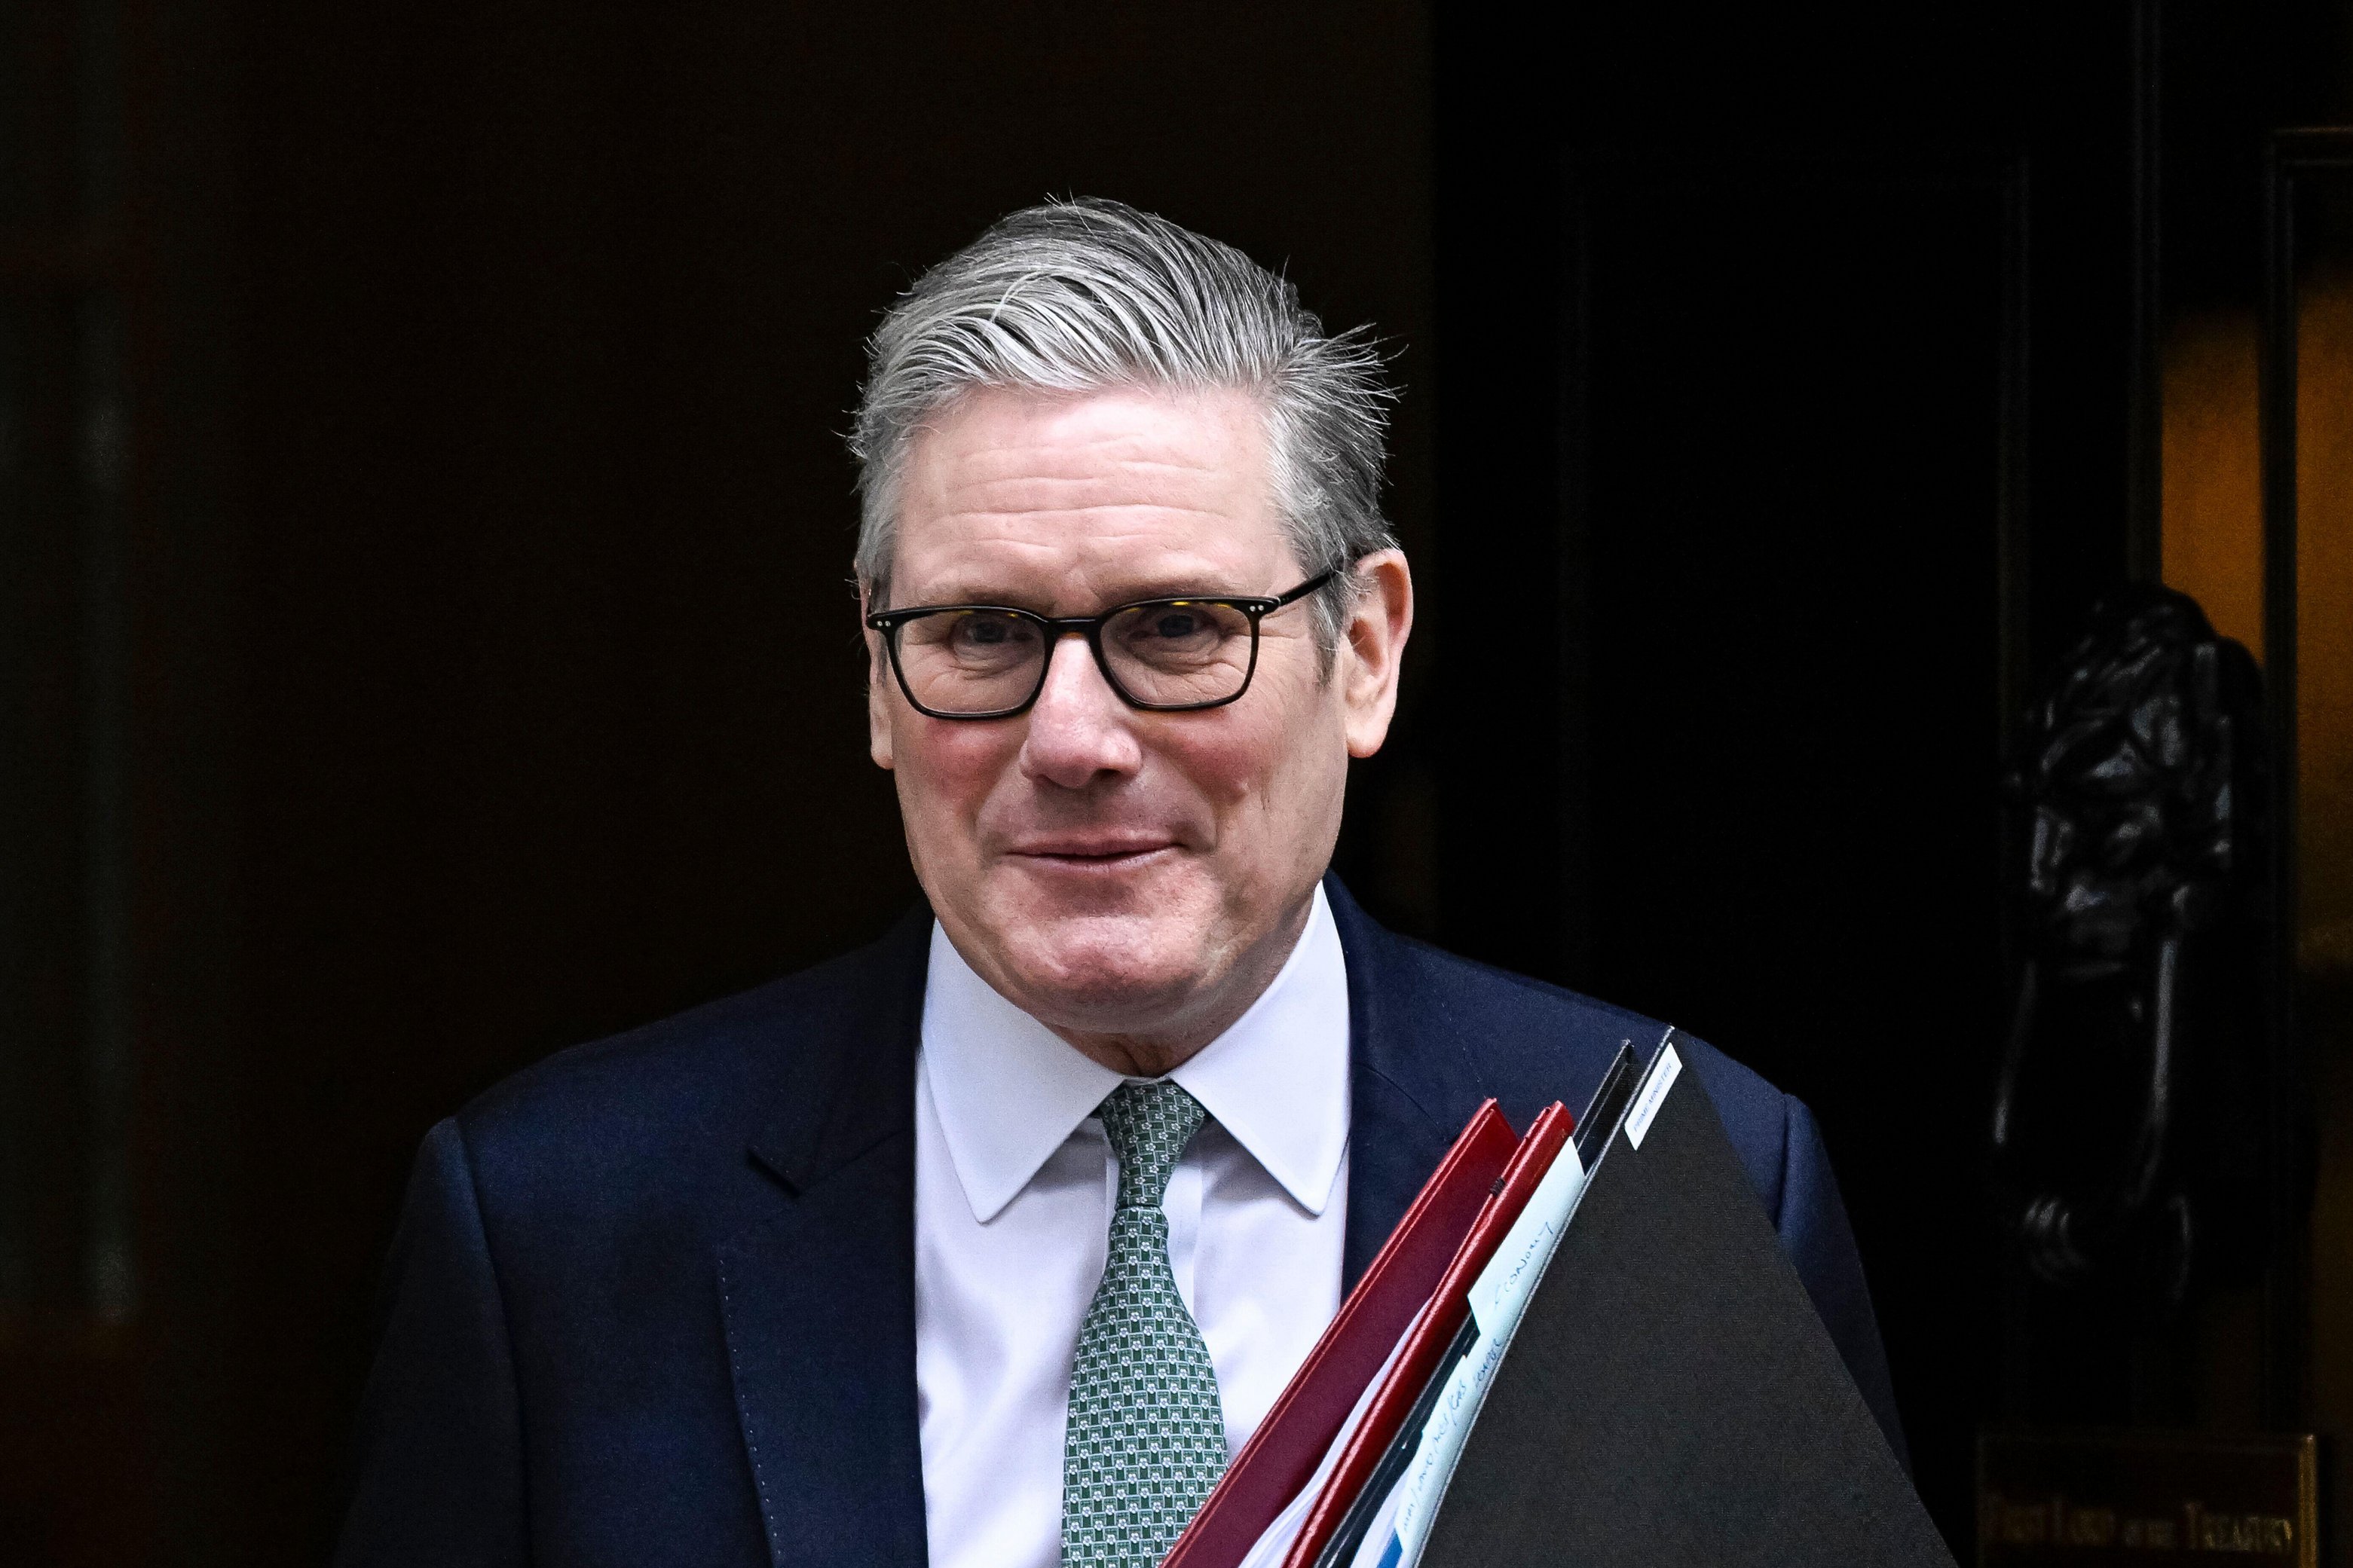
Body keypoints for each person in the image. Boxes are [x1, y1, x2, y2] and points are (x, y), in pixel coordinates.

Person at [334, 197, 1901, 1568]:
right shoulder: (557, 1229)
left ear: (1363, 651)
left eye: (1175, 627)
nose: (1073, 739)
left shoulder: (1684, 1186)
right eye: (981, 634)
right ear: (876, 673)